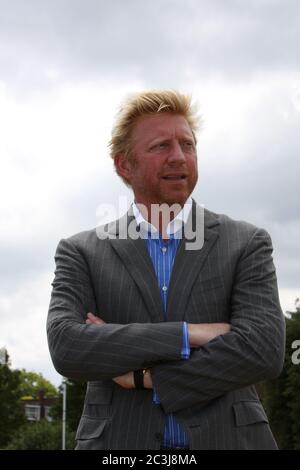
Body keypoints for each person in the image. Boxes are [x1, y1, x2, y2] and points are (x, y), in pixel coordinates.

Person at [47, 90, 285, 450]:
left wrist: (146, 378)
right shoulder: (81, 251)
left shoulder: (246, 242)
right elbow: (68, 347)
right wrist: (190, 334)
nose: (179, 156)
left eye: (187, 145)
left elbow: (263, 350)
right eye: (160, 146)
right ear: (124, 165)